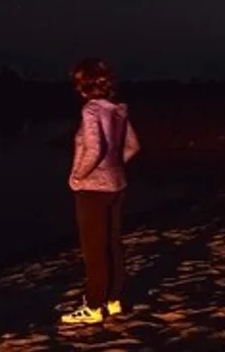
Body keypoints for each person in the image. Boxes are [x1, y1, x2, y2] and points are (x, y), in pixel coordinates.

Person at [60, 57, 141, 325]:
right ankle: (113, 300)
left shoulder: (92, 111)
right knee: (113, 243)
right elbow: (132, 147)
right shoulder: (118, 111)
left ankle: (94, 306)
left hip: (93, 189)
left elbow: (94, 149)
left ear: (85, 84)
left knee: (94, 249)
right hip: (117, 185)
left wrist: (76, 177)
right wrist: (114, 167)